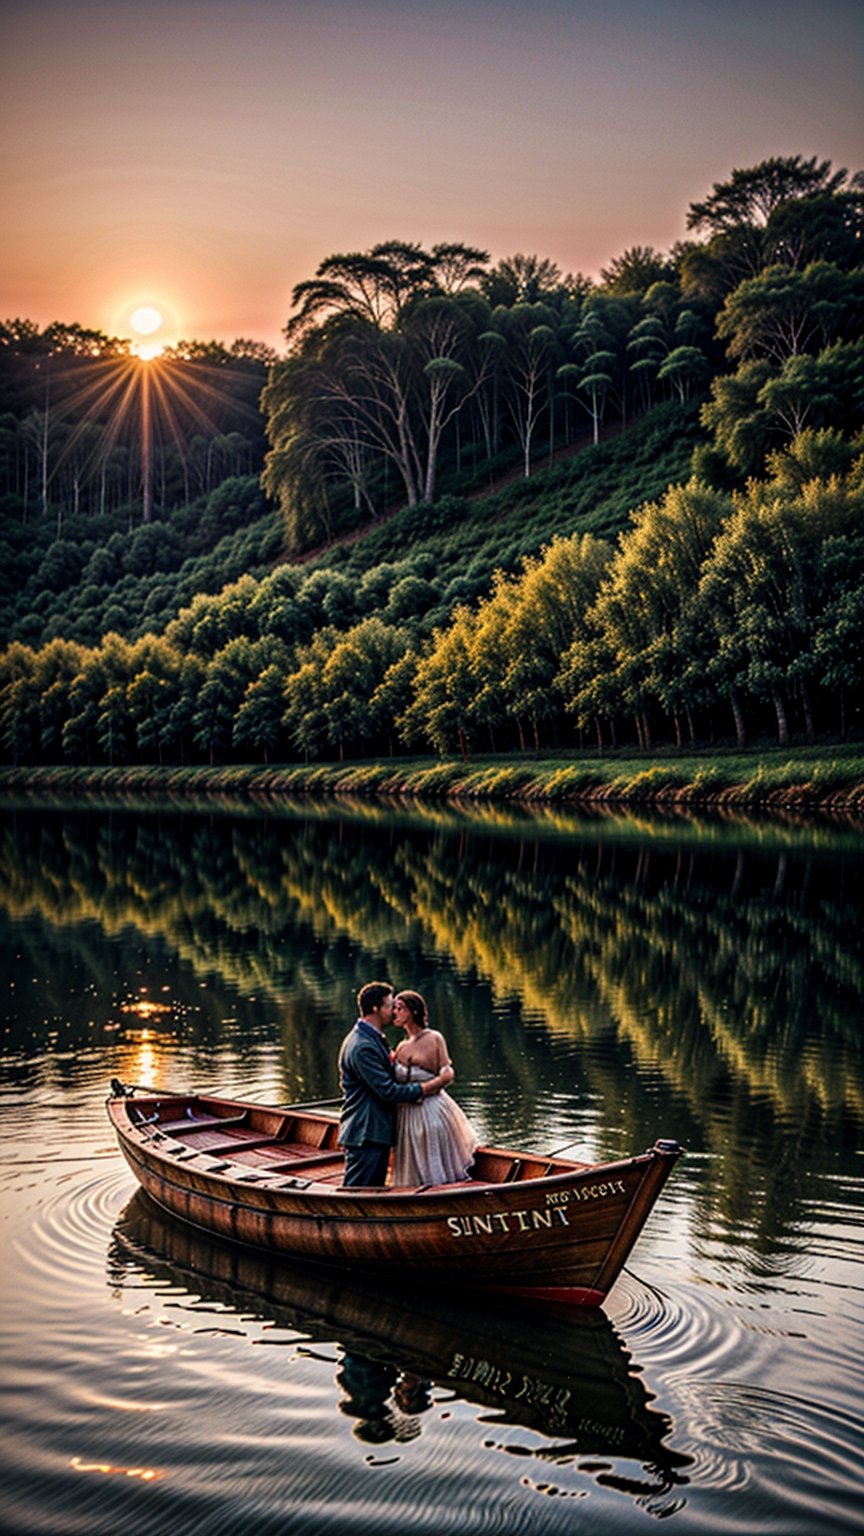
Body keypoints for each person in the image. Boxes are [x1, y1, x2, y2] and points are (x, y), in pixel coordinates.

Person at [338, 980, 453, 1187]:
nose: (393, 1011)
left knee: (370, 1193)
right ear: (376, 1008)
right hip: (367, 1133)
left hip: (373, 1132)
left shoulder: (370, 1038)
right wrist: (431, 1086)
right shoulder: (362, 1046)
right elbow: (388, 1091)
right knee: (359, 1195)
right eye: (390, 1005)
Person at [391, 989, 478, 1187]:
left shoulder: (434, 1038)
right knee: (414, 1164)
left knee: (433, 1158)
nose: (395, 1012)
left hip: (432, 1108)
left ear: (413, 1011)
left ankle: (442, 1193)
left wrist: (429, 1087)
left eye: (400, 1008)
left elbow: (446, 1072)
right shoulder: (401, 1047)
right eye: (394, 1008)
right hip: (408, 1112)